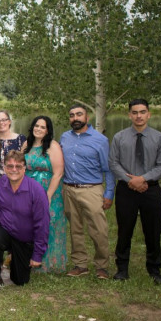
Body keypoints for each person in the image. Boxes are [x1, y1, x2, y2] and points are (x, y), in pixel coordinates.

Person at [109, 99, 161, 284]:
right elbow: (113, 163)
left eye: (142, 112)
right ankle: (122, 269)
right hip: (126, 190)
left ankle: (154, 269)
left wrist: (142, 179)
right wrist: (131, 180)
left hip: (150, 190)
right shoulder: (119, 137)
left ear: (149, 114)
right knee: (124, 230)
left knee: (152, 231)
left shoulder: (160, 138)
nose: (139, 116)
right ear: (129, 115)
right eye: (134, 112)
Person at [60, 104, 115, 279]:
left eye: (79, 114)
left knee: (98, 229)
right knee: (75, 229)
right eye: (71, 115)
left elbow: (108, 169)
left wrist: (109, 193)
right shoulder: (64, 137)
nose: (75, 118)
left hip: (91, 189)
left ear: (87, 117)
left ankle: (102, 266)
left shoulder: (100, 140)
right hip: (69, 189)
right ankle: (80, 264)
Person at [0, 151, 50, 293]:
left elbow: (43, 224)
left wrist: (37, 254)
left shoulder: (36, 190)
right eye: (10, 166)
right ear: (5, 167)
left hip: (24, 239)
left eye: (18, 166)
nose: (14, 170)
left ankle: (13, 259)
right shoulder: (2, 182)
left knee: (20, 280)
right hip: (6, 231)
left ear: (24, 168)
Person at [23, 116, 67, 273]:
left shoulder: (53, 146)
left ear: (48, 130)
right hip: (28, 191)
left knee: (49, 224)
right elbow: (20, 169)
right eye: (36, 126)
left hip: (49, 191)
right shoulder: (26, 145)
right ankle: (27, 260)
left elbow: (58, 173)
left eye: (43, 127)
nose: (39, 129)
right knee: (29, 224)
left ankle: (50, 263)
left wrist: (48, 195)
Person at [0, 110, 26, 187]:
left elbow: (24, 162)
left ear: (9, 121)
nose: (1, 123)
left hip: (14, 182)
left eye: (4, 120)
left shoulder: (20, 139)